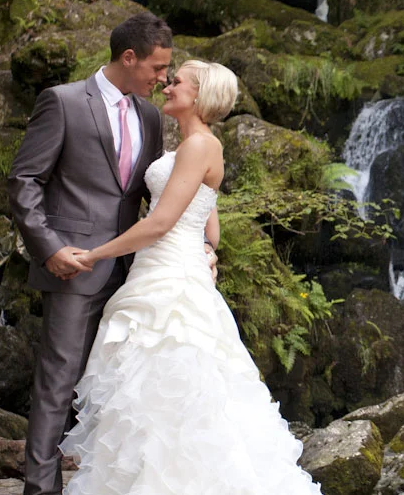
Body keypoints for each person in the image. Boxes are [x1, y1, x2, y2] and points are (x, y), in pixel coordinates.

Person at [60, 60, 323, 494]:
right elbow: (210, 226)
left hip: (170, 283)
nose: (166, 85)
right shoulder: (189, 147)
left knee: (167, 395)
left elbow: (161, 223)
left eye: (176, 80)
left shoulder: (200, 146)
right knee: (149, 400)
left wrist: (94, 255)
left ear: (199, 95)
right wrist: (205, 249)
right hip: (166, 270)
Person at [8, 12, 177, 495]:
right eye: (157, 67)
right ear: (129, 58)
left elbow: (153, 195)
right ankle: (40, 491)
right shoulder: (61, 103)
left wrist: (201, 245)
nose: (163, 78)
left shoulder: (148, 114)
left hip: (133, 274)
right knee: (57, 384)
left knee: (120, 387)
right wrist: (49, 249)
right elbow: (24, 182)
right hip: (73, 268)